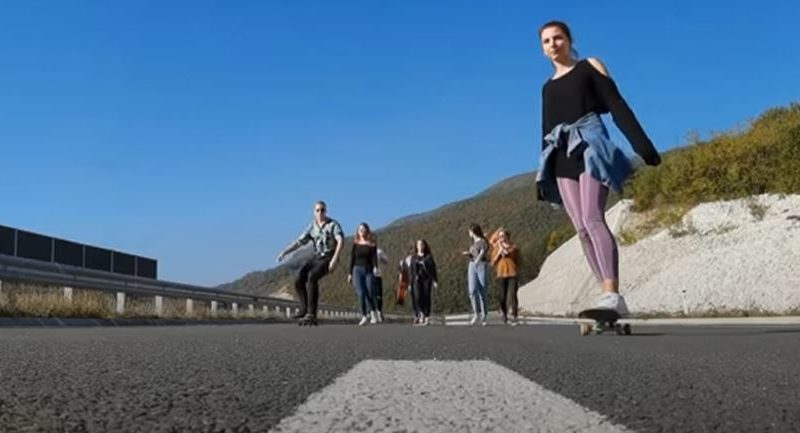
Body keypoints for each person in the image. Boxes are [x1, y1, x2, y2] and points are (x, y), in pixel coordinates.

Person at [535, 21, 662, 316]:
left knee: (593, 218)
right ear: (542, 49)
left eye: (558, 38)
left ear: (569, 40)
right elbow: (545, 131)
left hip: (591, 145)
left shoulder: (589, 66)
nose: (553, 44)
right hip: (561, 155)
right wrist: (544, 172)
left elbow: (616, 104)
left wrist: (642, 145)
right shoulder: (547, 88)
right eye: (546, 41)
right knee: (581, 229)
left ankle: (612, 294)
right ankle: (606, 296)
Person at [276, 201, 344, 324]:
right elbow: (299, 242)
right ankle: (303, 309)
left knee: (312, 276)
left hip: (329, 257)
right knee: (299, 278)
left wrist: (334, 259)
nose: (320, 212)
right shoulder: (312, 227)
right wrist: (285, 252)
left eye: (322, 210)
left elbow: (340, 241)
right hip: (317, 257)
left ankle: (311, 314)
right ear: (314, 212)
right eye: (317, 210)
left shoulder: (333, 225)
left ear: (326, 211)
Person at [347, 223, 379, 325]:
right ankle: (364, 315)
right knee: (361, 293)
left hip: (368, 270)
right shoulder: (355, 244)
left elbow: (374, 257)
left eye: (363, 229)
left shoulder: (372, 244)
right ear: (358, 231)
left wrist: (375, 267)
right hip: (357, 270)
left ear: (367, 231)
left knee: (369, 291)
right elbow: (352, 258)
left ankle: (373, 312)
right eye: (360, 229)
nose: (361, 231)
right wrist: (350, 273)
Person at [489, 228, 520, 325]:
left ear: (507, 236)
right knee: (502, 296)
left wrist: (503, 248)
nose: (501, 238)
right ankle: (504, 313)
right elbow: (492, 262)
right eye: (499, 236)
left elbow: (510, 254)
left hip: (512, 273)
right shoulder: (496, 249)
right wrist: (498, 252)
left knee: (512, 295)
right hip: (501, 274)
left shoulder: (513, 246)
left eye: (503, 236)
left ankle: (514, 315)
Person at [462, 224, 489, 326]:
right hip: (472, 265)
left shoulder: (483, 241)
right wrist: (468, 253)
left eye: (469, 231)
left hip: (481, 265)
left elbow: (483, 252)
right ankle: (476, 313)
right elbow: (473, 253)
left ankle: (484, 315)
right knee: (472, 290)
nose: (469, 233)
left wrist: (478, 259)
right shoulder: (472, 243)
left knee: (482, 289)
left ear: (473, 232)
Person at [409, 239, 438, 326]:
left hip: (426, 279)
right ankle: (420, 314)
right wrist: (410, 282)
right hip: (416, 280)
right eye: (418, 244)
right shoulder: (413, 257)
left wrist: (435, 280)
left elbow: (433, 269)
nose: (420, 246)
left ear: (424, 246)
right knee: (417, 296)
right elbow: (411, 271)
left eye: (421, 244)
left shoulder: (428, 257)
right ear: (416, 246)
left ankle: (426, 315)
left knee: (426, 296)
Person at [371, 242, 390, 322]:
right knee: (371, 295)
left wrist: (382, 260)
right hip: (368, 275)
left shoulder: (379, 252)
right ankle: (373, 313)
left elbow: (386, 261)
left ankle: (379, 311)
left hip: (377, 275)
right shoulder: (365, 251)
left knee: (378, 295)